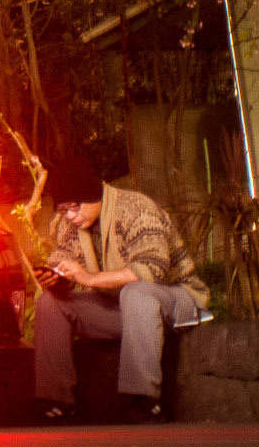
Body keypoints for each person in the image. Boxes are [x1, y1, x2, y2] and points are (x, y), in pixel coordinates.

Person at [32, 159, 210, 421]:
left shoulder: (136, 208)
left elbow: (152, 271)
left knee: (135, 292)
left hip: (174, 299)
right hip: (124, 309)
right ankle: (55, 403)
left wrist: (89, 279)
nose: (70, 216)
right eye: (63, 210)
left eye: (73, 207)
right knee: (50, 303)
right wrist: (57, 279)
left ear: (92, 194)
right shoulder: (70, 227)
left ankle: (143, 400)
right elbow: (62, 258)